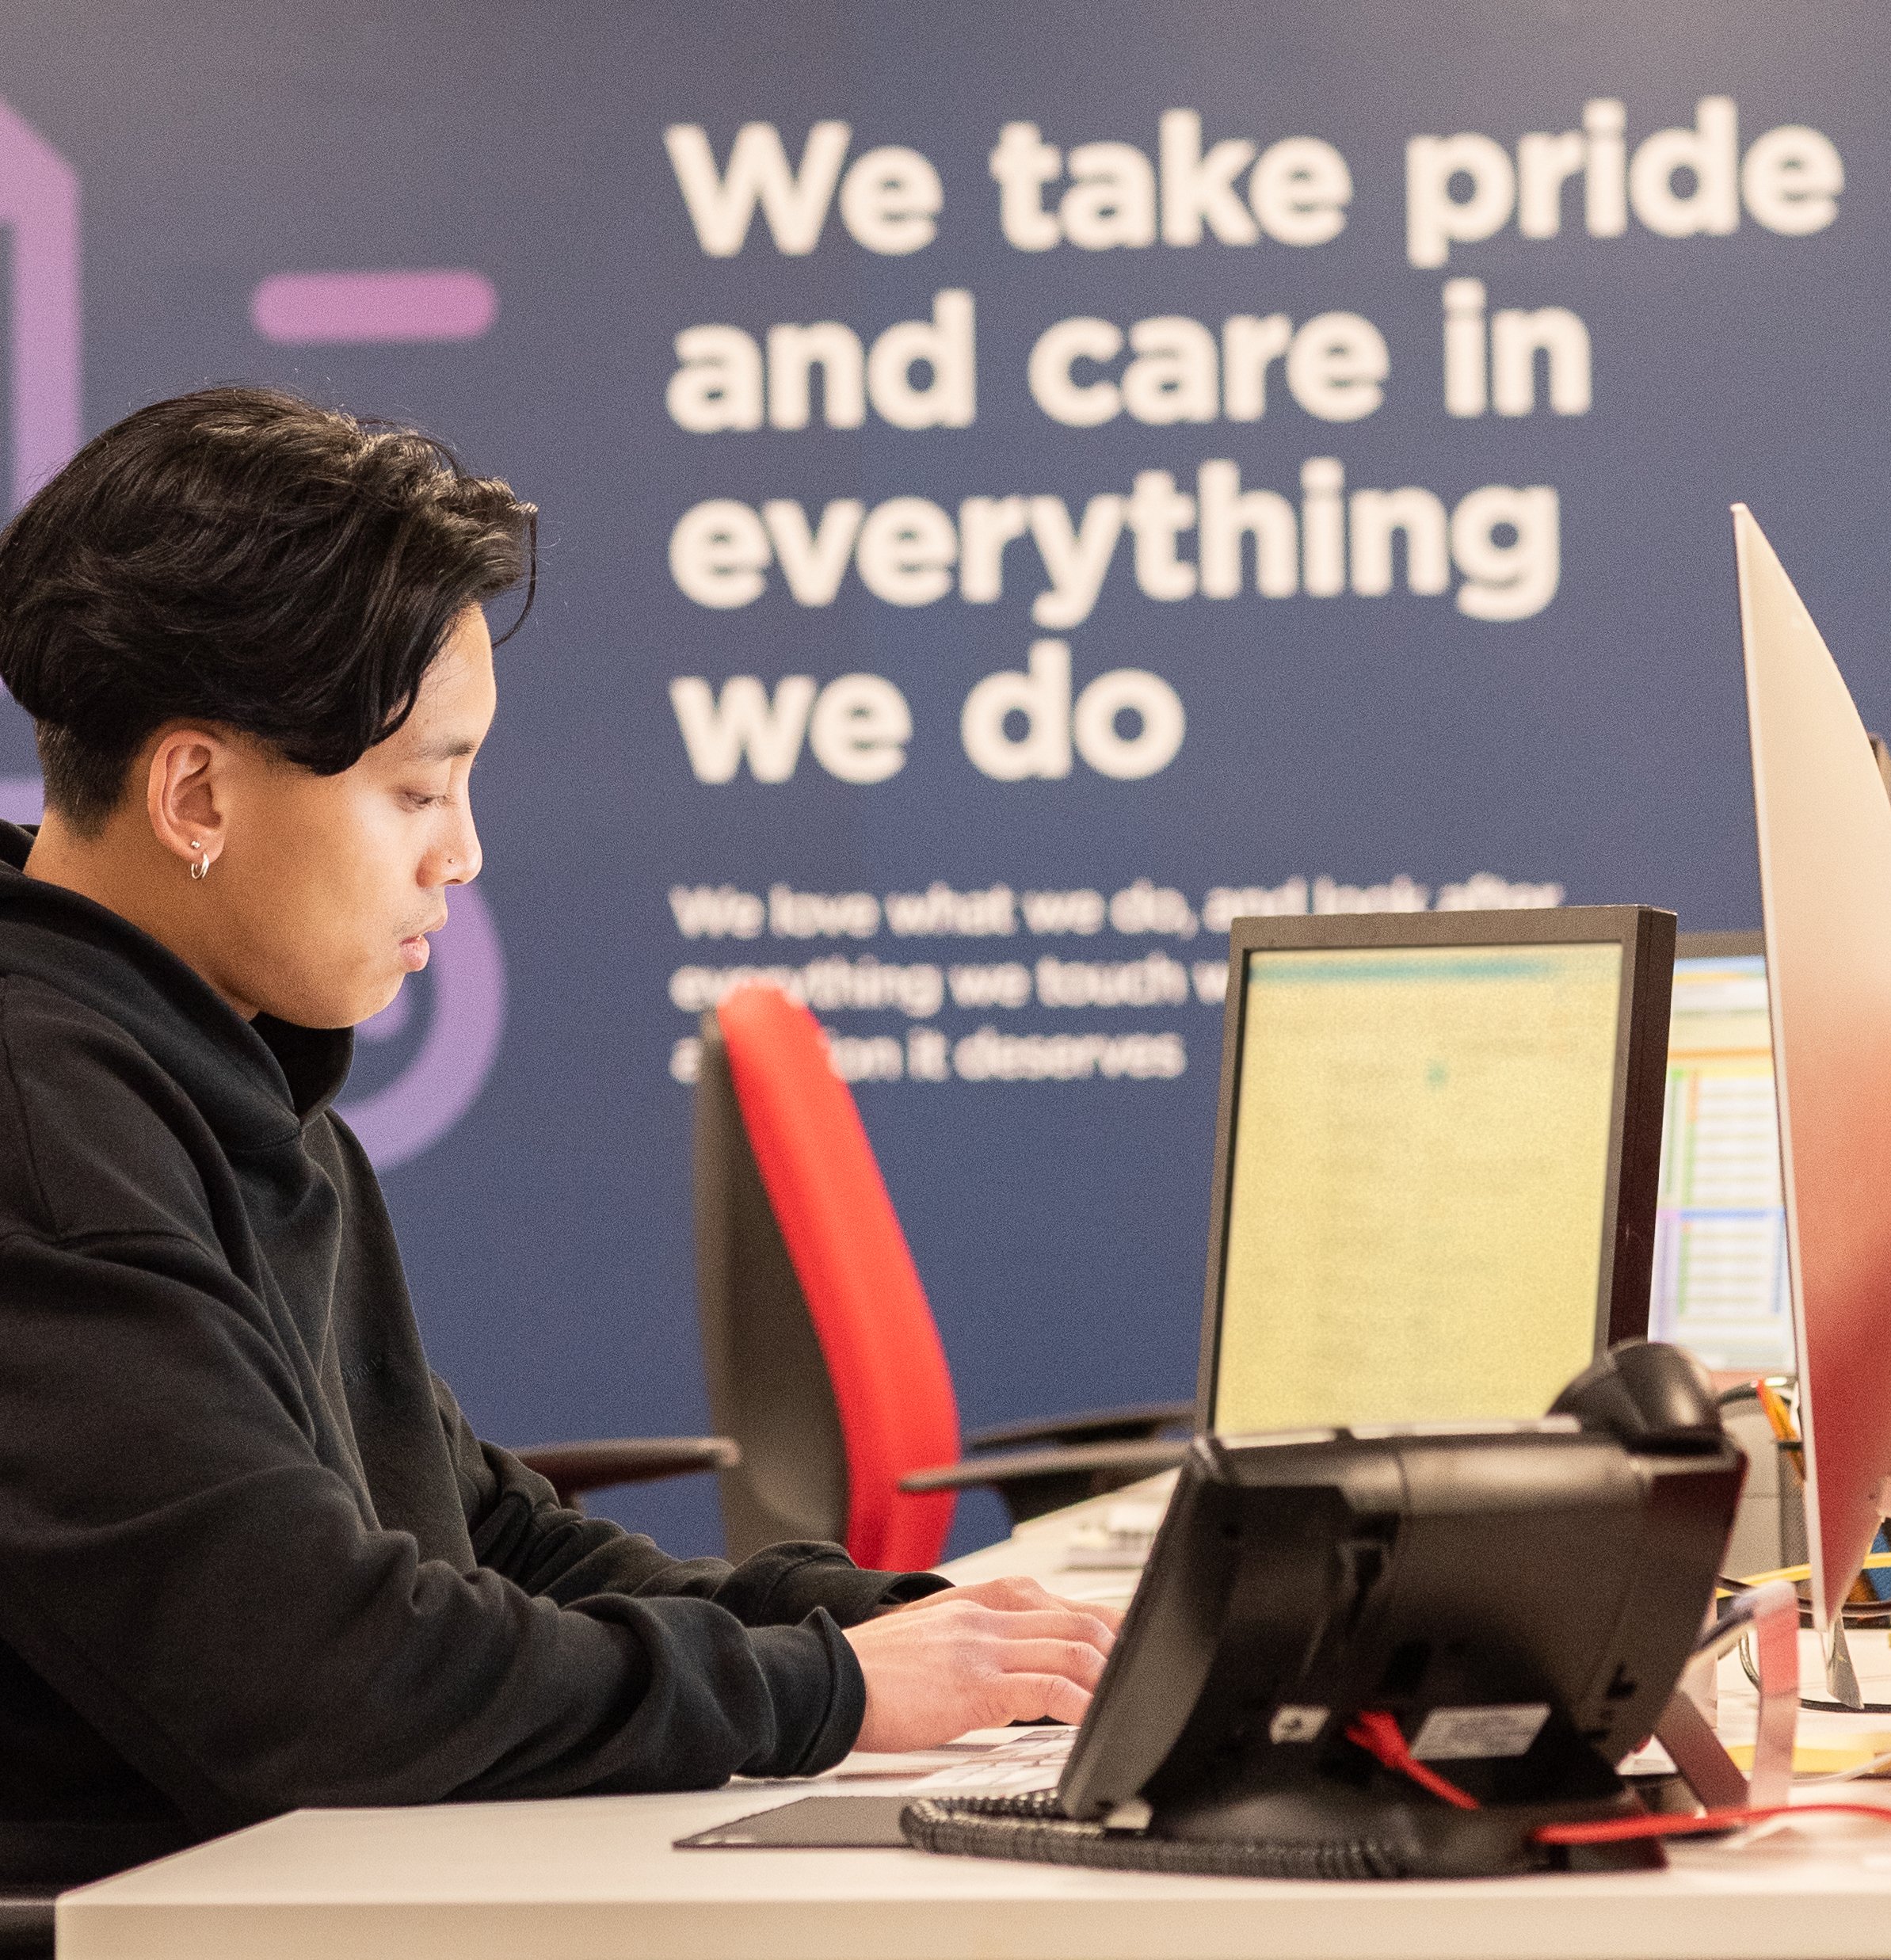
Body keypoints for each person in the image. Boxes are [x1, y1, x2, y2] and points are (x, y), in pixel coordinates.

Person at [0, 387, 1115, 1889]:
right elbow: (320, 1683)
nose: (460, 851)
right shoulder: (46, 1133)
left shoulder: (221, 1072)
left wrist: (860, 1625)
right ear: (197, 789)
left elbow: (486, 1539)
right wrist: (826, 1696)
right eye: (417, 787)